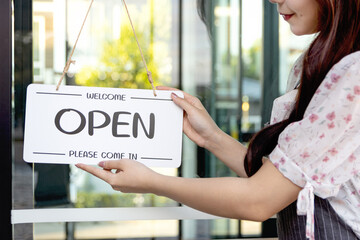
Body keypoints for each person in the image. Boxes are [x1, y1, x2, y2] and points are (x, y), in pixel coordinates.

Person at [76, 0, 360, 239]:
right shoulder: (320, 62)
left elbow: (259, 199)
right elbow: (279, 178)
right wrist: (211, 136)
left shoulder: (354, 73)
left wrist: (152, 182)